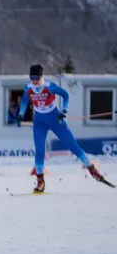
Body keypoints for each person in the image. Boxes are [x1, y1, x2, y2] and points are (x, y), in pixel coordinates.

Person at [14, 64, 108, 192]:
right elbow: (25, 100)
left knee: (73, 147)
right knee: (39, 152)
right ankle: (40, 181)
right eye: (32, 78)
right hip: (39, 122)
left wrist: (63, 110)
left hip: (55, 119)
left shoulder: (49, 87)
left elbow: (65, 95)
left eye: (37, 78)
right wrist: (21, 114)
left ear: (42, 77)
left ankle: (92, 170)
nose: (34, 81)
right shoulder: (28, 88)